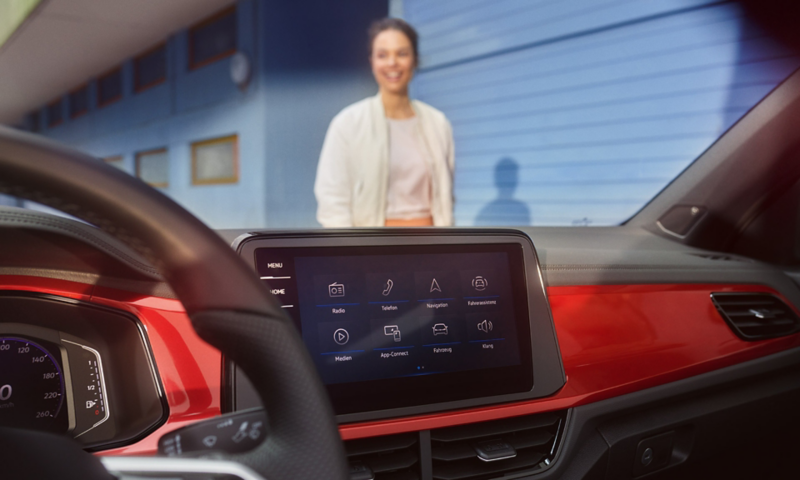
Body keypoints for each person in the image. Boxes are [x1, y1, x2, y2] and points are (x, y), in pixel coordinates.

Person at [314, 18, 455, 227]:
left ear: (415, 60)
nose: (392, 63)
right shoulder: (347, 123)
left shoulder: (438, 123)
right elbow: (332, 202)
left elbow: (446, 196)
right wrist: (347, 254)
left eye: (402, 53)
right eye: (383, 55)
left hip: (432, 247)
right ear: (372, 62)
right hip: (372, 249)